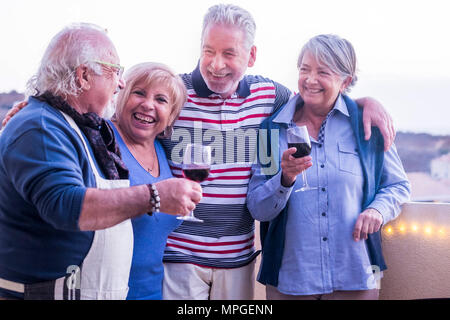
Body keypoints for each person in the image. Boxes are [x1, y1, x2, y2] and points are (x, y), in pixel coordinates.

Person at [160, 4, 397, 300]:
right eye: (208, 51)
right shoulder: (175, 93)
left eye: (229, 53)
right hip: (178, 253)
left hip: (237, 258)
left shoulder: (268, 98)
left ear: (252, 56)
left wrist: (364, 103)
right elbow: (137, 116)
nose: (215, 64)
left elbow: (316, 98)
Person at [0, 23, 201, 300]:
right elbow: (65, 205)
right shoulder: (43, 128)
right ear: (83, 75)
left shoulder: (77, 127)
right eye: (115, 72)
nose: (120, 83)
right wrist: (155, 195)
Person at [247, 34, 411, 300]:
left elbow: (398, 185)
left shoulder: (367, 125)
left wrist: (377, 211)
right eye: (304, 69)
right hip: (290, 281)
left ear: (345, 81)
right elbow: (258, 208)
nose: (310, 79)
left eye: (322, 72)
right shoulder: (270, 131)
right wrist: (284, 178)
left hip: (357, 275)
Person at [109, 62, 187, 299]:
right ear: (122, 95)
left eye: (161, 100)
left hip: (153, 291)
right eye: (139, 92)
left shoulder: (162, 151)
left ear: (171, 114)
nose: (148, 105)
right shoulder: (102, 137)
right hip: (108, 291)